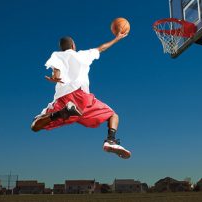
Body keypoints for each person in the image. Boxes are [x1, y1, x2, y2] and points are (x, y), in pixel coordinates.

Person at [31, 31, 131, 159]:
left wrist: (55, 77)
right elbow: (102, 48)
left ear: (62, 48)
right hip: (84, 100)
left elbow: (56, 68)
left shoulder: (57, 55)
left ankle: (62, 113)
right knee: (113, 115)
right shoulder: (83, 55)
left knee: (35, 125)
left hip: (66, 99)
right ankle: (110, 140)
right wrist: (117, 38)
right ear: (73, 45)